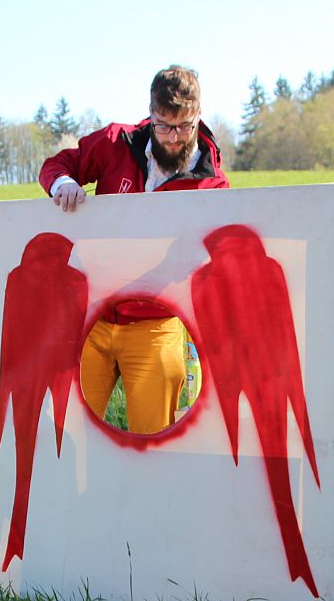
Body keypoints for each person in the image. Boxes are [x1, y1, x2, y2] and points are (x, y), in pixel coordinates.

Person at [38, 65, 228, 435]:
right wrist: (63, 183)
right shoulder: (116, 143)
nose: (173, 138)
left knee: (151, 439)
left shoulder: (212, 185)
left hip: (155, 324)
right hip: (91, 318)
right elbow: (58, 164)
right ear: (151, 114)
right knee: (65, 433)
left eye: (184, 127)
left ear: (198, 116)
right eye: (163, 126)